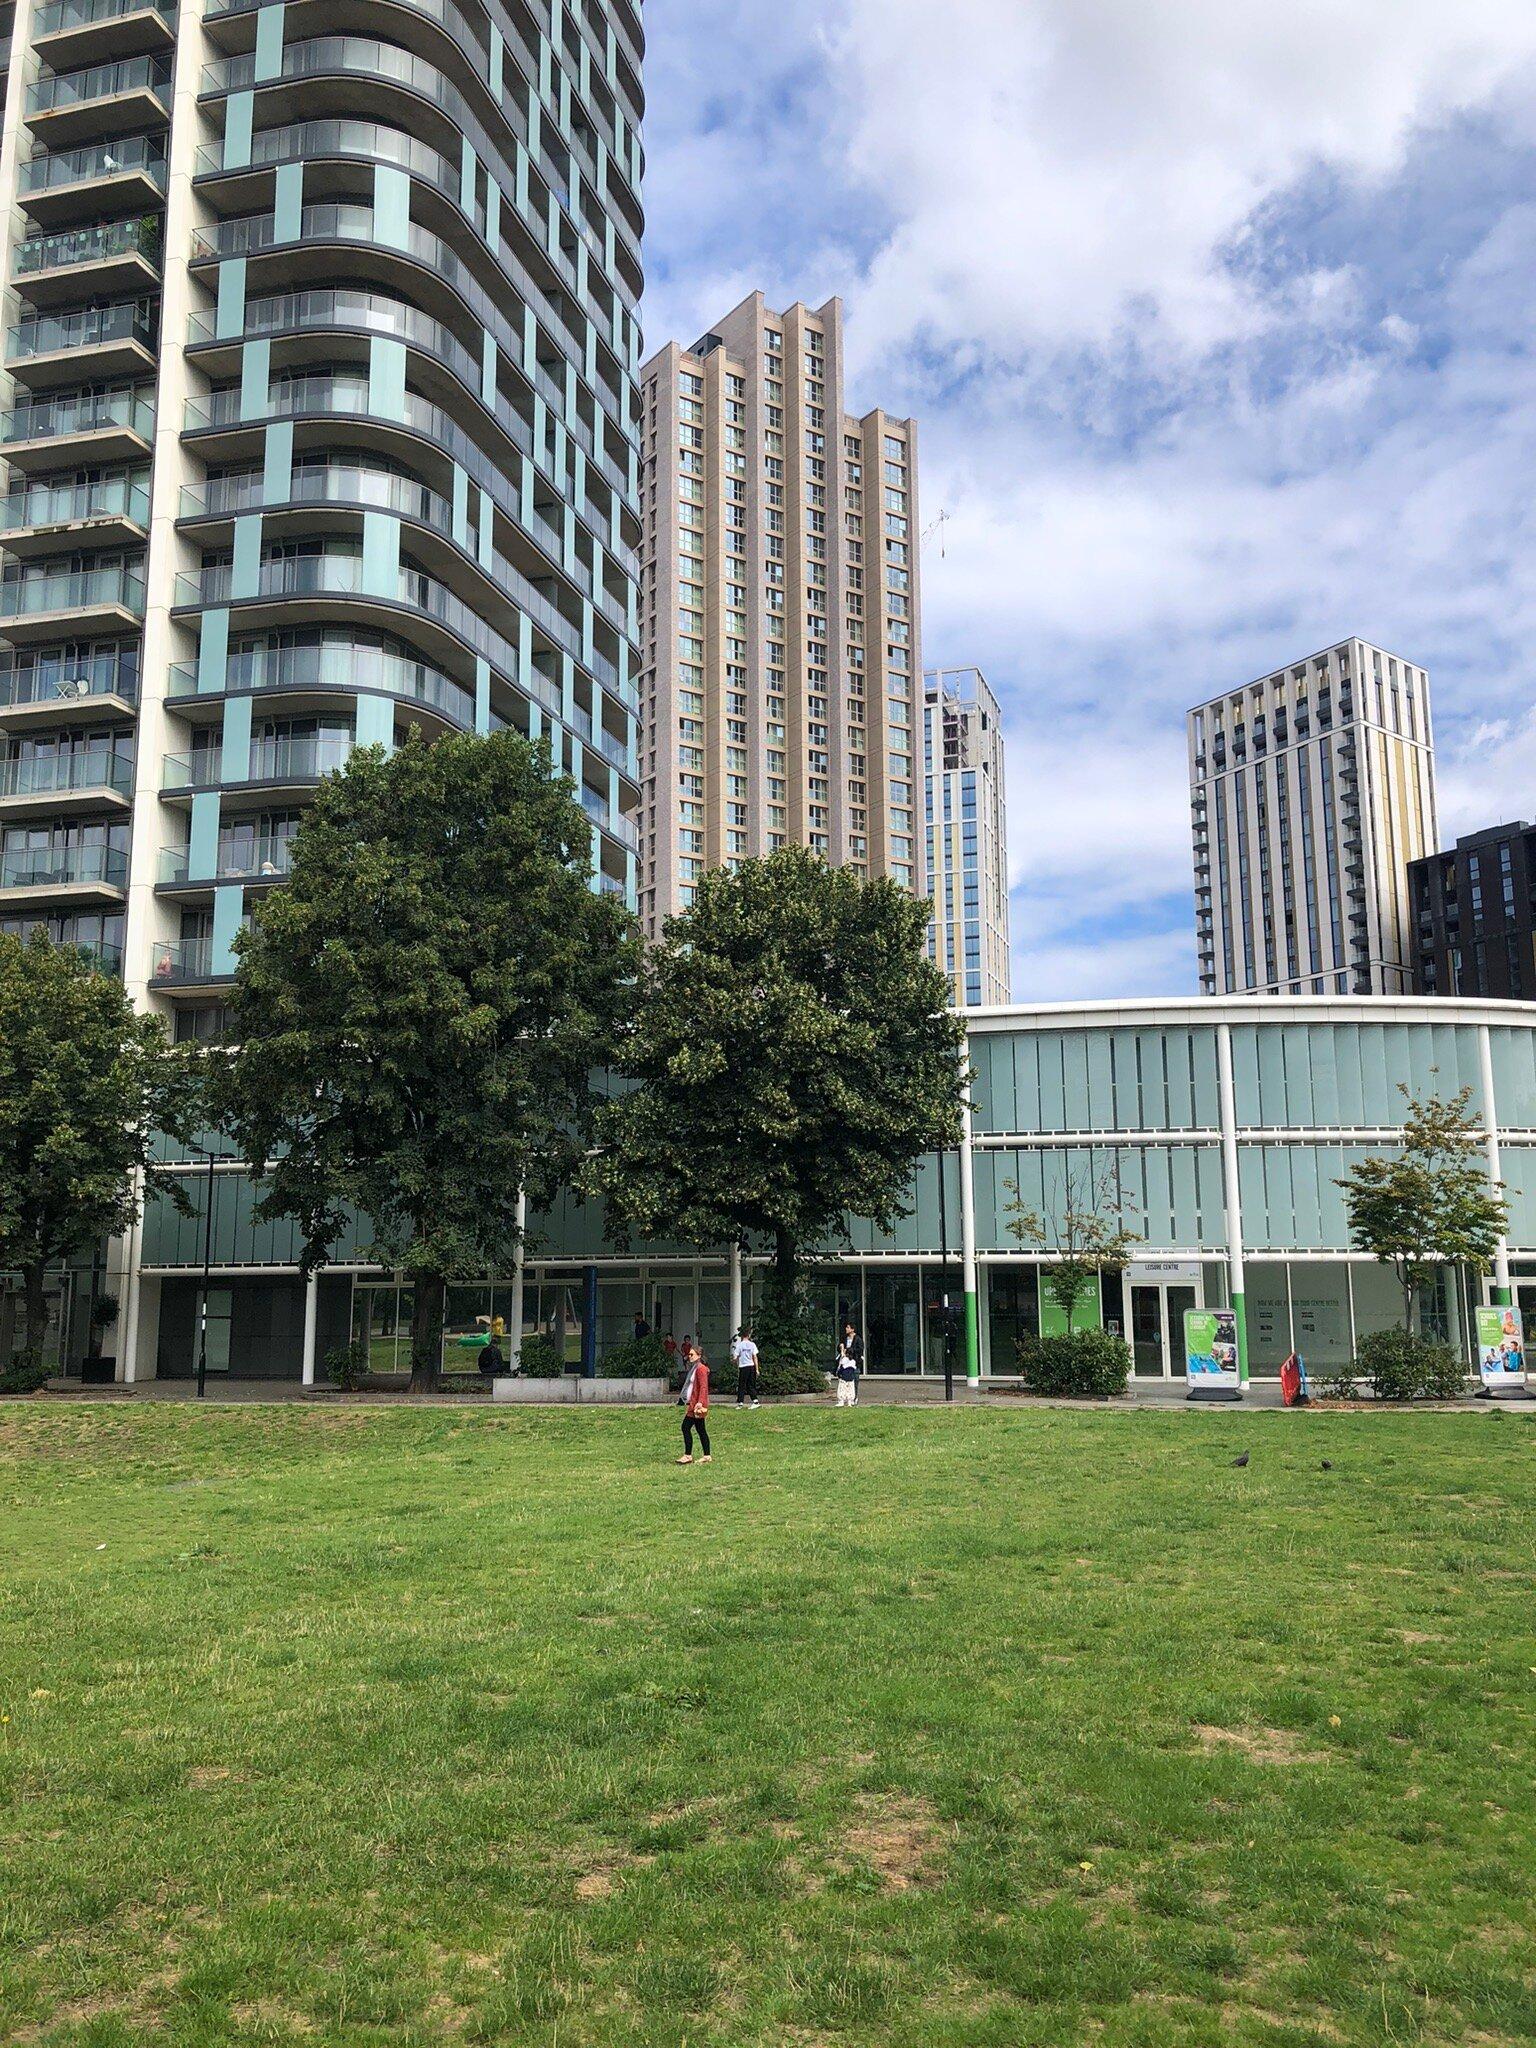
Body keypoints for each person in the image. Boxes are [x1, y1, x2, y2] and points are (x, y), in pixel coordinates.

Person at [676, 1340, 711, 1463]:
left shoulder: (700, 1369)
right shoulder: (695, 1368)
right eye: (689, 1354)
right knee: (701, 1429)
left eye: (692, 1354)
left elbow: (703, 1387)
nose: (689, 1356)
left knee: (685, 1427)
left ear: (699, 1356)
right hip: (694, 1403)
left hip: (696, 1404)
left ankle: (688, 1455)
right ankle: (706, 1455)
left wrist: (700, 1402)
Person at [835, 1322, 863, 1406]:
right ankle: (843, 1398)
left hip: (854, 1362)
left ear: (852, 1329)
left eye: (848, 1327)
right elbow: (839, 1348)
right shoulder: (844, 1338)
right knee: (843, 1381)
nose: (846, 1329)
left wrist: (849, 1351)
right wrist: (841, 1348)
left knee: (854, 1380)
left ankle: (853, 1398)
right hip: (845, 1362)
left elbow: (860, 1350)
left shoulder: (858, 1339)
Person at [734, 1325, 760, 1407]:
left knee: (742, 1384)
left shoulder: (739, 1345)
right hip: (751, 1366)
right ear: (748, 1335)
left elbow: (736, 1357)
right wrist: (757, 1369)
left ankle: (740, 1402)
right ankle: (755, 1401)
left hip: (743, 1366)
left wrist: (736, 1363)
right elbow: (755, 1357)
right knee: (751, 1384)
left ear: (741, 1336)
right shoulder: (752, 1345)